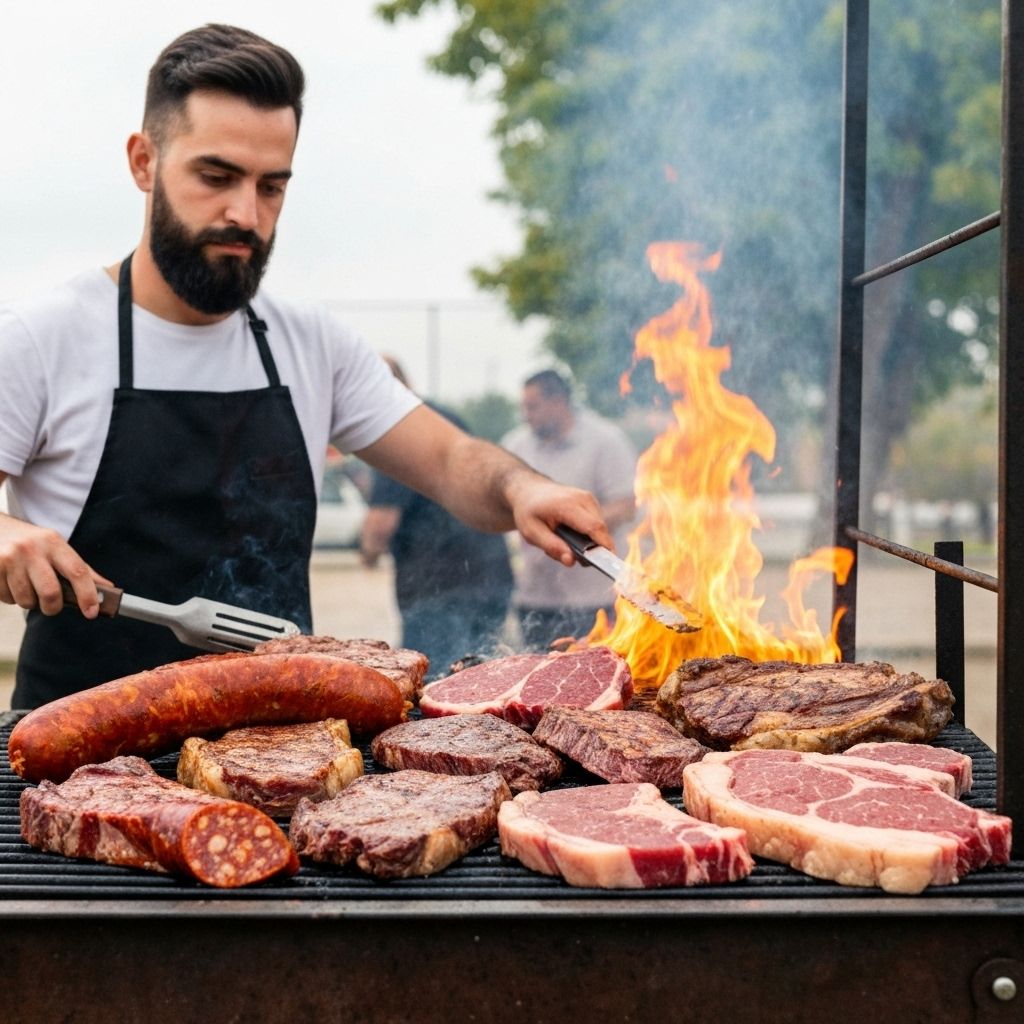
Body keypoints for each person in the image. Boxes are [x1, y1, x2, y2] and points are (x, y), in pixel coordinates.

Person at [0, 25, 615, 709]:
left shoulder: (312, 343)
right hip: (77, 749)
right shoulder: (39, 340)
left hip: (284, 750)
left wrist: (523, 488)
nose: (246, 214)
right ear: (144, 162)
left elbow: (449, 459)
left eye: (272, 186)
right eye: (216, 177)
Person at [360, 357, 514, 678]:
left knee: (431, 682)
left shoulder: (392, 430)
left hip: (437, 588)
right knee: (479, 677)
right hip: (490, 576)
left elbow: (381, 522)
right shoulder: (443, 419)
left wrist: (368, 554)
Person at [502, 369, 638, 649]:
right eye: (523, 407)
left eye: (533, 407)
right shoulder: (515, 446)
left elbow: (626, 505)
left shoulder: (605, 441)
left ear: (558, 401)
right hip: (535, 597)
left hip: (595, 599)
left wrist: (570, 524)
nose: (526, 415)